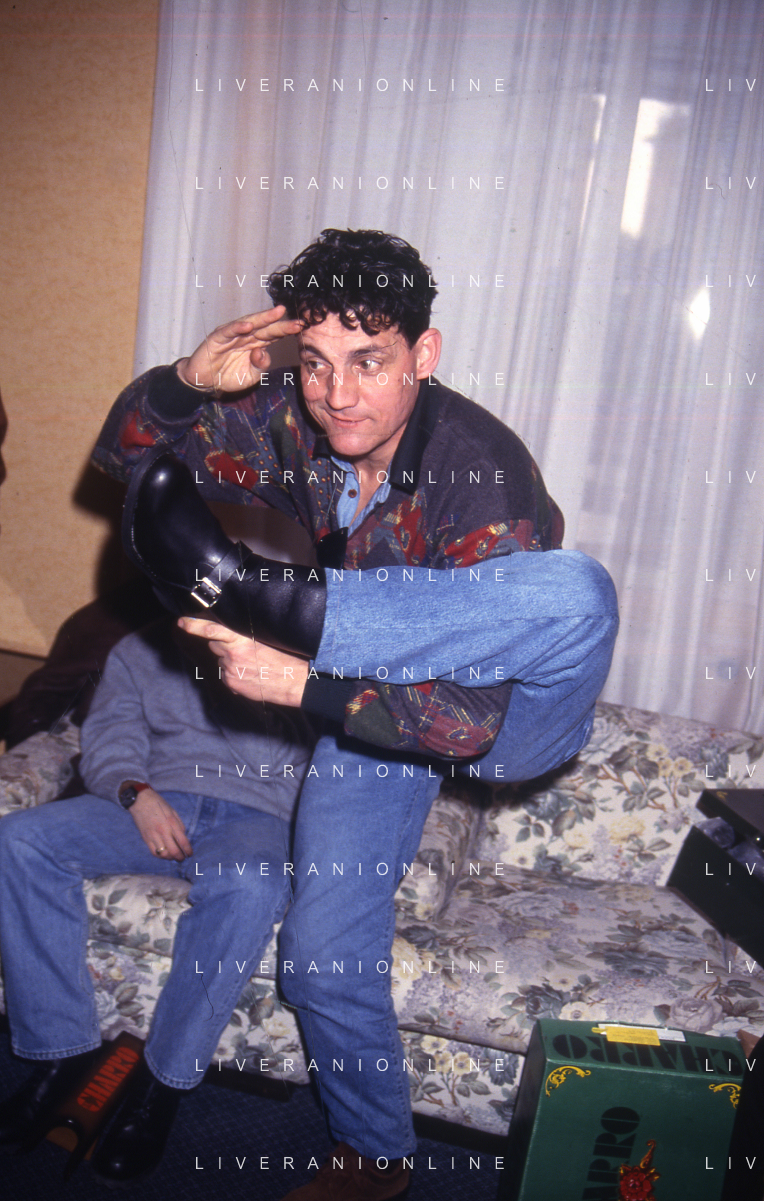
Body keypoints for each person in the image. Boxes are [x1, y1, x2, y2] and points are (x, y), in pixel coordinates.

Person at [93, 228, 618, 1199]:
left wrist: (302, 683)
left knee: (578, 594)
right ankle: (376, 1159)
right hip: (367, 710)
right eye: (316, 362)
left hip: (506, 719)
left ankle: (268, 599)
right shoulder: (296, 419)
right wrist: (181, 383)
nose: (336, 394)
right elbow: (125, 463)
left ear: (423, 354)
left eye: (369, 362)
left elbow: (468, 722)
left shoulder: (482, 478)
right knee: (323, 957)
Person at [0, 619, 314, 1185]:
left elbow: (301, 762)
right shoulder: (138, 649)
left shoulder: (299, 649)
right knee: (19, 841)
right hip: (158, 801)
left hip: (258, 816)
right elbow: (110, 737)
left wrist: (243, 667)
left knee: (251, 885)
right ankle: (61, 1050)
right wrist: (136, 794)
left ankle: (162, 1080)